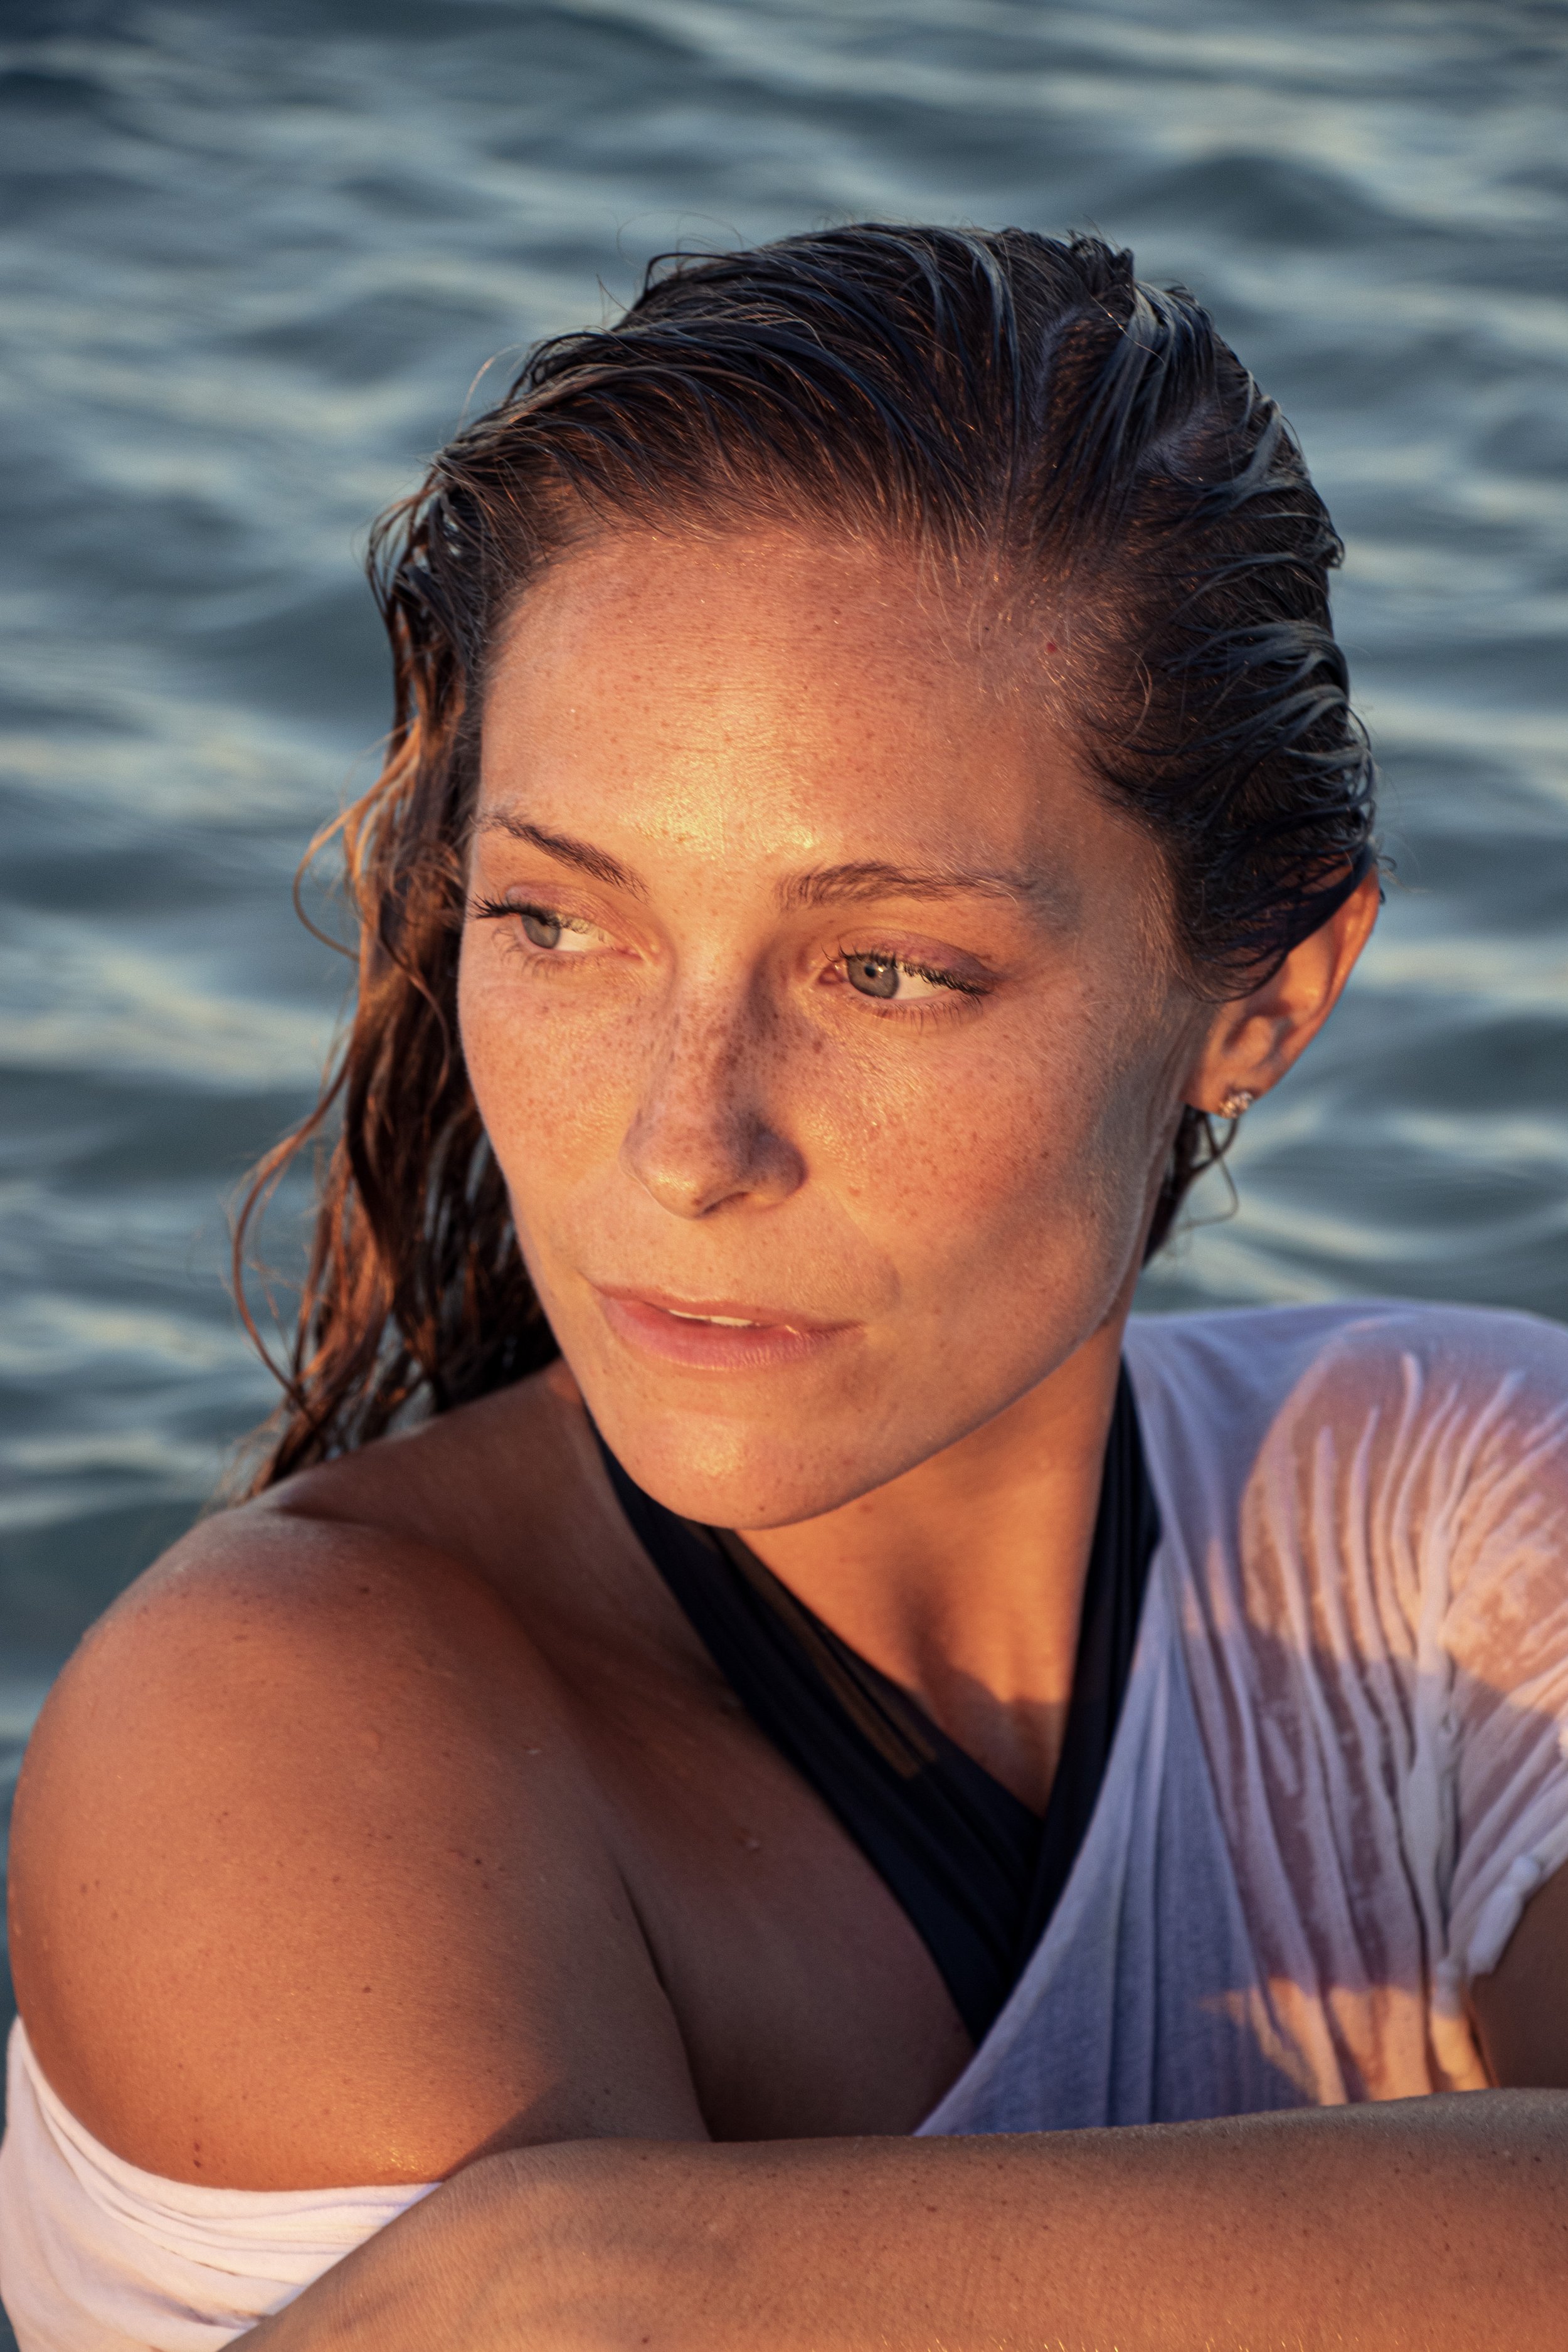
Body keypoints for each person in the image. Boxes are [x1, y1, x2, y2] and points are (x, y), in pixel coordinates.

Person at [3, 225, 1567, 2352]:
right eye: (560, 923)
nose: (679, 1142)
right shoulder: (280, 1741)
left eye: (885, 969)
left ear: (1262, 999)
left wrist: (607, 2272)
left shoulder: (1441, 1521)